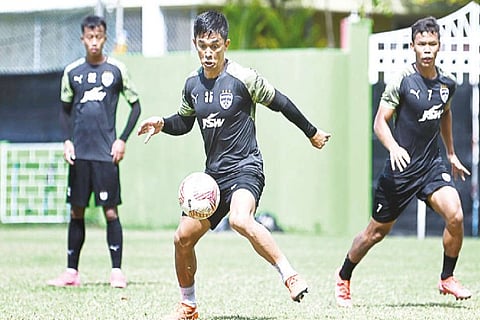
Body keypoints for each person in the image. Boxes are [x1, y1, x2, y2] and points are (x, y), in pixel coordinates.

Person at [137, 10, 331, 320]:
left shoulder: (244, 78)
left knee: (241, 219)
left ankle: (289, 274)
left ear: (226, 44)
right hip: (213, 182)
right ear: (195, 45)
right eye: (202, 46)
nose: (208, 52)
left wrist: (312, 133)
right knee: (181, 238)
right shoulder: (192, 84)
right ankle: (188, 306)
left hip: (246, 168)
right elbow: (185, 122)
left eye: (214, 45)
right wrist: (162, 123)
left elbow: (280, 103)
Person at [335, 16, 472, 307]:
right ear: (412, 46)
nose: (427, 50)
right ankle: (343, 276)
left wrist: (450, 154)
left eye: (432, 44)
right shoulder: (401, 80)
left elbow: (445, 113)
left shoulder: (447, 82)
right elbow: (380, 123)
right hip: (400, 172)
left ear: (439, 46)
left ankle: (447, 278)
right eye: (421, 44)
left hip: (431, 167)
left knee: (456, 216)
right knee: (375, 233)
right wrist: (394, 147)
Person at [47, 15, 141, 289]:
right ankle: (71, 273)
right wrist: (67, 140)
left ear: (104, 37)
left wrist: (121, 140)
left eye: (99, 36)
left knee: (110, 212)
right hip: (80, 154)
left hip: (105, 155)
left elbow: (136, 106)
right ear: (83, 39)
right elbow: (64, 110)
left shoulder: (117, 70)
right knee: (76, 212)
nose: (94, 42)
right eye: (90, 37)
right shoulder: (72, 72)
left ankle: (116, 272)